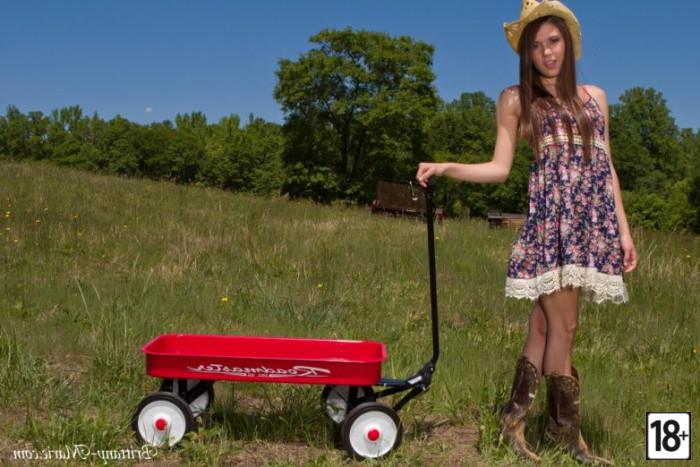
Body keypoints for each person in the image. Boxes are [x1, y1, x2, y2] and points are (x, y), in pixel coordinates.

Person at [416, 0, 637, 464]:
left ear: (568, 43)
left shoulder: (595, 98)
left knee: (542, 325)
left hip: (590, 227)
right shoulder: (516, 99)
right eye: (536, 46)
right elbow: (499, 168)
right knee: (565, 326)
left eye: (553, 42)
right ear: (526, 53)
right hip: (551, 226)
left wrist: (623, 230)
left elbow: (607, 167)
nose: (547, 53)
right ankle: (565, 436)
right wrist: (447, 167)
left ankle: (512, 424)